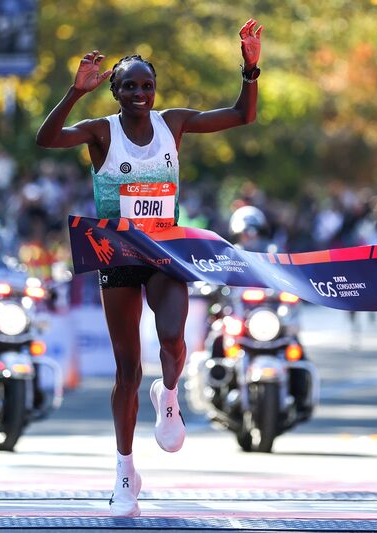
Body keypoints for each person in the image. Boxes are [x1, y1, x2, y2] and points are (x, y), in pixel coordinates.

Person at [36, 18, 262, 517]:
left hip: (164, 252)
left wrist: (250, 68)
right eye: (130, 85)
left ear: (155, 90)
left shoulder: (173, 124)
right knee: (126, 370)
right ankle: (124, 473)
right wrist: (74, 93)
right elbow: (46, 139)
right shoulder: (101, 131)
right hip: (117, 256)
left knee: (174, 339)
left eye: (147, 85)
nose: (140, 92)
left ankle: (171, 391)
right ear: (114, 91)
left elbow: (241, 116)